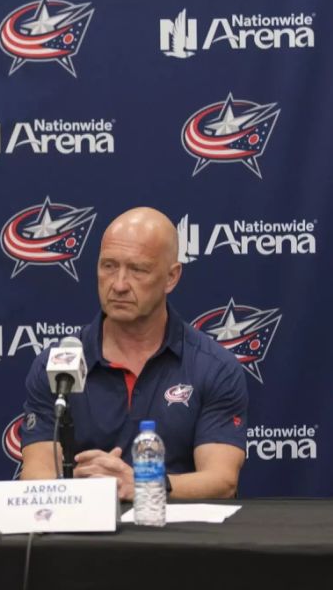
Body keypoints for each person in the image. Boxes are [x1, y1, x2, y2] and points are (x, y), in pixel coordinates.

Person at [19, 207, 248, 500]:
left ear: (171, 277)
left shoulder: (214, 367)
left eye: (138, 269)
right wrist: (77, 485)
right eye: (108, 266)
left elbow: (222, 480)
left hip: (175, 539)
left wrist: (143, 485)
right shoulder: (57, 364)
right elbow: (35, 475)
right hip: (81, 539)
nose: (119, 285)